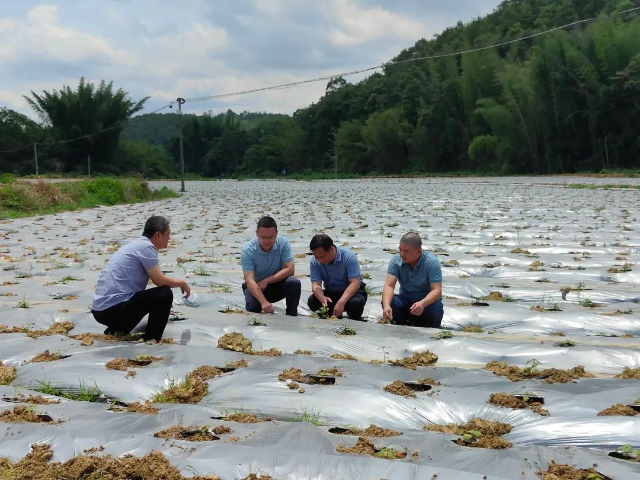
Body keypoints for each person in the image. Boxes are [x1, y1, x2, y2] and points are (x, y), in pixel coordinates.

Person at [91, 216, 190, 341]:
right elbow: (160, 281)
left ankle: (115, 332)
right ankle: (152, 340)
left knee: (151, 299)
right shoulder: (146, 247)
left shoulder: (137, 245)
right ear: (158, 235)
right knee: (164, 293)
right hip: (111, 308)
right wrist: (183, 283)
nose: (169, 238)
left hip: (100, 309)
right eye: (168, 234)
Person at [241, 216, 301, 316]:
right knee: (253, 308)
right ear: (257, 234)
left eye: (271, 237)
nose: (267, 241)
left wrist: (267, 281)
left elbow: (290, 269)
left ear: (277, 233)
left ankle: (291, 314)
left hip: (277, 283)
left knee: (294, 282)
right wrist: (264, 302)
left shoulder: (283, 243)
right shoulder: (248, 250)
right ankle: (249, 293)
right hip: (257, 286)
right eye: (263, 237)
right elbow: (249, 279)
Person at [381, 232, 443, 328]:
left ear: (418, 251)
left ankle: (430, 327)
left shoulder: (431, 262)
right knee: (390, 301)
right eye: (400, 250)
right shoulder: (396, 260)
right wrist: (386, 306)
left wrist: (422, 304)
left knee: (436, 309)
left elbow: (437, 290)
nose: (402, 254)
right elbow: (389, 285)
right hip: (406, 300)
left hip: (426, 303)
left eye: (406, 251)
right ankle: (401, 325)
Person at [307, 234, 367, 320]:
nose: (320, 260)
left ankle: (344, 311)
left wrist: (341, 302)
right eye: (317, 257)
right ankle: (333, 311)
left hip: (352, 293)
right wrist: (322, 298)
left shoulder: (348, 256)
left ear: (331, 249)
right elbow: (316, 285)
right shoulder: (314, 261)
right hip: (332, 292)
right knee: (312, 301)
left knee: (355, 305)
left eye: (322, 256)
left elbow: (355, 283)